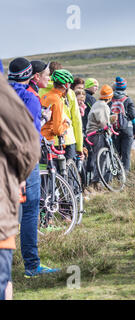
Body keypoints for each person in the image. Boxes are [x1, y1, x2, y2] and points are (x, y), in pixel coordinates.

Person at [7, 58, 61, 279]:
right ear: (31, 75)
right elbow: (28, 134)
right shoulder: (29, 97)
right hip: (24, 162)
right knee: (30, 211)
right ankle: (31, 266)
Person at [1, 70, 41, 300]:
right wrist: (17, 176)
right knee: (30, 211)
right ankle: (31, 264)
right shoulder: (17, 96)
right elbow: (28, 146)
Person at [39, 63, 84, 161]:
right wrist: (79, 146)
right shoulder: (69, 93)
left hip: (45, 139)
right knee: (69, 174)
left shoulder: (41, 91)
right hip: (67, 138)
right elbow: (76, 120)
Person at [86, 85, 116, 190]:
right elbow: (103, 123)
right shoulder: (103, 106)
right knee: (101, 158)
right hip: (97, 134)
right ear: (110, 97)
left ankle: (96, 181)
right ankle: (97, 182)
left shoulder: (97, 104)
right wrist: (110, 129)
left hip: (92, 134)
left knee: (97, 157)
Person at [110, 76, 135, 172]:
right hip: (127, 130)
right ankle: (124, 176)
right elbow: (133, 116)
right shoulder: (128, 99)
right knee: (126, 155)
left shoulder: (111, 99)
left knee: (116, 154)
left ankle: (115, 174)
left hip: (114, 130)